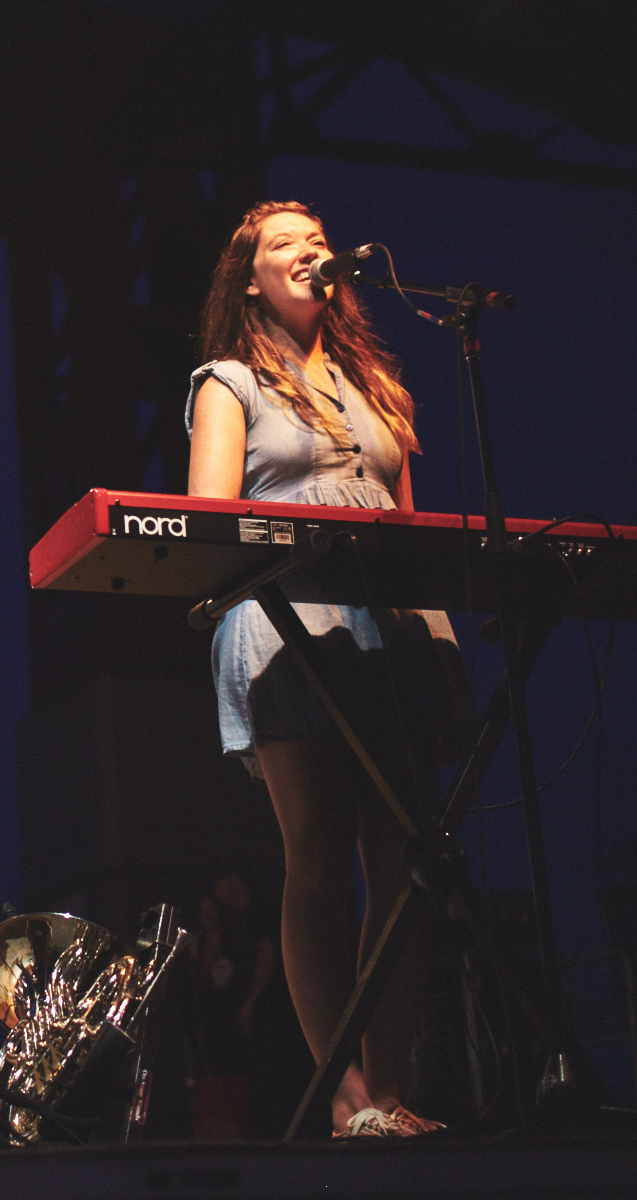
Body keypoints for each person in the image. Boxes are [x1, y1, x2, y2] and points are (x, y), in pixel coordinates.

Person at [185, 201, 465, 1137]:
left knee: (404, 860)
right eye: (282, 244)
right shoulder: (228, 383)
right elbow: (209, 521)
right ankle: (345, 1103)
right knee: (316, 854)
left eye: (316, 240)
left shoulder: (381, 387)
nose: (307, 251)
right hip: (288, 618)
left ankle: (391, 1094)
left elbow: (411, 524)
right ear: (250, 276)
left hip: (391, 620)